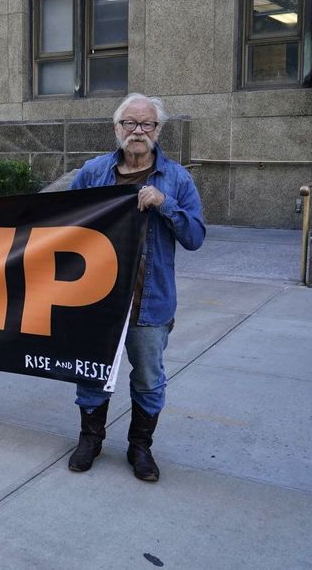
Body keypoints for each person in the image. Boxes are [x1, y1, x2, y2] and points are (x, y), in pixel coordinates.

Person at [67, 93, 205, 482]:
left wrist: (166, 204)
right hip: (98, 299)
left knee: (147, 377)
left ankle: (140, 447)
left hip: (150, 302)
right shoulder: (94, 172)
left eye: (146, 124)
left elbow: (195, 237)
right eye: (130, 123)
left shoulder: (177, 178)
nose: (138, 131)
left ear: (158, 131)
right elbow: (64, 221)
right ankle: (90, 438)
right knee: (93, 372)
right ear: (117, 129)